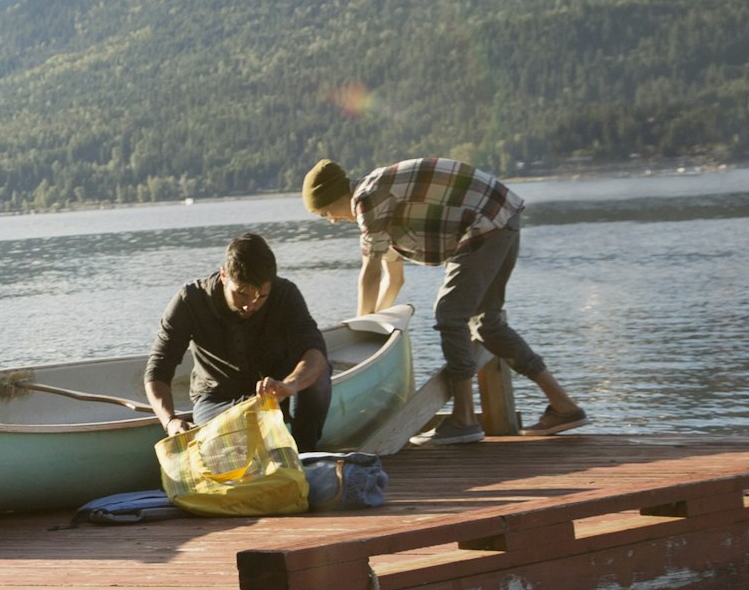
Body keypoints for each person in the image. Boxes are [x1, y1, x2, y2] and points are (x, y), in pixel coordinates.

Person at [304, 153, 587, 444]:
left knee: (450, 315)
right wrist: (378, 322)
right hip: (502, 216)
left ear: (335, 198)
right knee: (488, 325)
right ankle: (564, 407)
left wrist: (360, 329)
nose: (333, 221)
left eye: (326, 214)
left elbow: (371, 271)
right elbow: (394, 276)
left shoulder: (367, 200)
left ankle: (464, 420)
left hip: (486, 223)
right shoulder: (379, 207)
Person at [145, 231, 331, 451]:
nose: (250, 306)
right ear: (224, 275)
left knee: (317, 379)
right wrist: (169, 421)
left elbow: (315, 353)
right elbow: (158, 369)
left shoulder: (285, 293)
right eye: (242, 294)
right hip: (217, 401)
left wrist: (290, 385)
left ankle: (305, 453)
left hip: (277, 394)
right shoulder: (190, 300)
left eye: (261, 296)